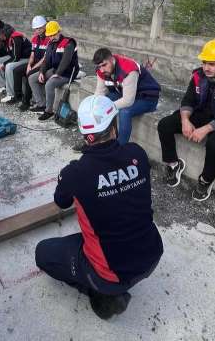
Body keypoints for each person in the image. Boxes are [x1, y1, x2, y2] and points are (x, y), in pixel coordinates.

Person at [35, 95, 163, 320]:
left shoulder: (75, 173)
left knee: (42, 253)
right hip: (152, 255)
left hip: (110, 274)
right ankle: (108, 285)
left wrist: (65, 179)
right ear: (114, 126)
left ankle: (104, 295)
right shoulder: (137, 154)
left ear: (85, 134)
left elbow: (61, 202)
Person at [157, 39, 215, 201]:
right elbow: (188, 100)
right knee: (165, 124)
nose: (206, 68)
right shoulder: (198, 75)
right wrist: (185, 120)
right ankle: (173, 164)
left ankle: (205, 179)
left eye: (212, 64)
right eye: (204, 63)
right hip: (204, 114)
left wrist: (205, 129)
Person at [93, 48, 161, 145]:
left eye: (104, 65)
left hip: (147, 98)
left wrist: (107, 107)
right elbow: (99, 92)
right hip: (127, 93)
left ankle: (119, 147)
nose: (102, 69)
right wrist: (95, 106)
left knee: (125, 112)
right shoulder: (101, 70)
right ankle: (97, 139)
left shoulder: (128, 68)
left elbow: (128, 101)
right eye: (99, 66)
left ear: (112, 59)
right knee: (102, 101)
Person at [28, 21, 79, 120]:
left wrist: (57, 74)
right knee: (32, 78)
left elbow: (66, 61)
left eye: (54, 34)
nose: (51, 37)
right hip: (55, 70)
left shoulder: (69, 43)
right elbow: (46, 60)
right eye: (50, 35)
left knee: (49, 84)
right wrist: (42, 72)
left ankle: (49, 111)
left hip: (67, 73)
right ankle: (41, 104)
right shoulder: (51, 43)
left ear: (59, 31)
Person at [15, 15, 48, 111]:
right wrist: (29, 65)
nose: (38, 30)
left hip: (44, 64)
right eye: (36, 29)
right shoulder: (34, 38)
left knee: (29, 74)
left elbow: (45, 58)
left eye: (40, 28)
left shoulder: (48, 39)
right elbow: (32, 55)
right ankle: (18, 96)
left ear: (45, 26)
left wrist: (33, 68)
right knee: (17, 71)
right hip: (35, 63)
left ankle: (26, 101)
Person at [0, 27, 32, 103]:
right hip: (16, 56)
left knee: (9, 66)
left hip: (26, 58)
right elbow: (7, 54)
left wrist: (3, 64)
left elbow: (16, 57)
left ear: (2, 34)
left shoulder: (15, 37)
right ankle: (2, 86)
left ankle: (11, 94)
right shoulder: (4, 39)